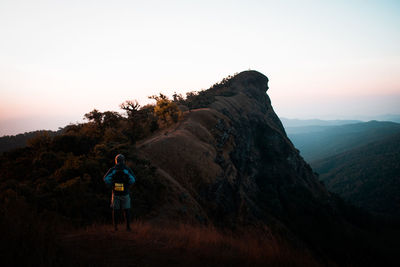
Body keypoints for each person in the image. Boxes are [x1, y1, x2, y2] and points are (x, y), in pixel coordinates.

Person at [104, 154, 136, 231]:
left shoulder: (113, 169)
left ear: (116, 161)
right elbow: (133, 179)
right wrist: (127, 185)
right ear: (123, 161)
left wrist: (112, 184)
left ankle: (115, 227)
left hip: (115, 193)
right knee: (127, 210)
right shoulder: (127, 169)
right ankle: (128, 227)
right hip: (125, 192)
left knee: (115, 210)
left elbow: (106, 179)